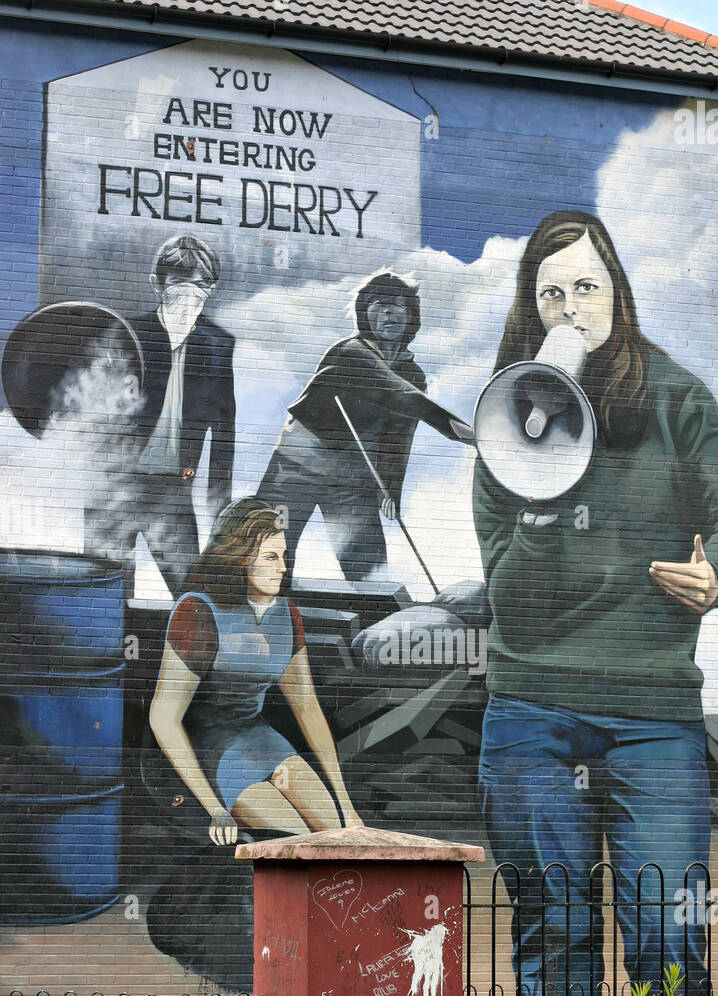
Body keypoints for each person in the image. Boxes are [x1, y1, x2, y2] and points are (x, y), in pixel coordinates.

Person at [473, 210, 718, 996]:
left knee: (668, 933)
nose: (571, 309)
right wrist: (538, 491)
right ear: (532, 313)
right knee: (554, 926)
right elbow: (512, 600)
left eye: (587, 288)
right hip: (532, 709)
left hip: (653, 713)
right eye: (552, 294)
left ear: (618, 295)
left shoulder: (677, 398)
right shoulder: (507, 423)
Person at [144, 497, 362, 846]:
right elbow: (163, 718)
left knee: (337, 836)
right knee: (301, 843)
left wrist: (346, 806)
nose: (283, 568)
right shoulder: (197, 613)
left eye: (284, 557)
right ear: (241, 558)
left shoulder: (285, 615)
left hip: (260, 739)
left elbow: (306, 707)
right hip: (209, 748)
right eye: (271, 557)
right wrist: (216, 809)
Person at [256, 270, 472, 584]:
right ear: (365, 314)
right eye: (379, 304)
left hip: (352, 483)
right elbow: (402, 396)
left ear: (411, 315)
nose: (389, 312)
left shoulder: (413, 373)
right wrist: (465, 433)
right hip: (295, 471)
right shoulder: (351, 353)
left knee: (368, 569)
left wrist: (391, 489)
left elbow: (400, 436)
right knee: (270, 555)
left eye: (398, 306)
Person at [87, 234, 236, 596]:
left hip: (173, 491)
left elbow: (225, 428)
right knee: (108, 594)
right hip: (116, 487)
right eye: (179, 281)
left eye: (201, 284)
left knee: (192, 597)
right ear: (158, 284)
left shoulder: (217, 344)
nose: (191, 293)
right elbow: (93, 411)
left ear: (212, 289)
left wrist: (219, 503)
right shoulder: (127, 336)